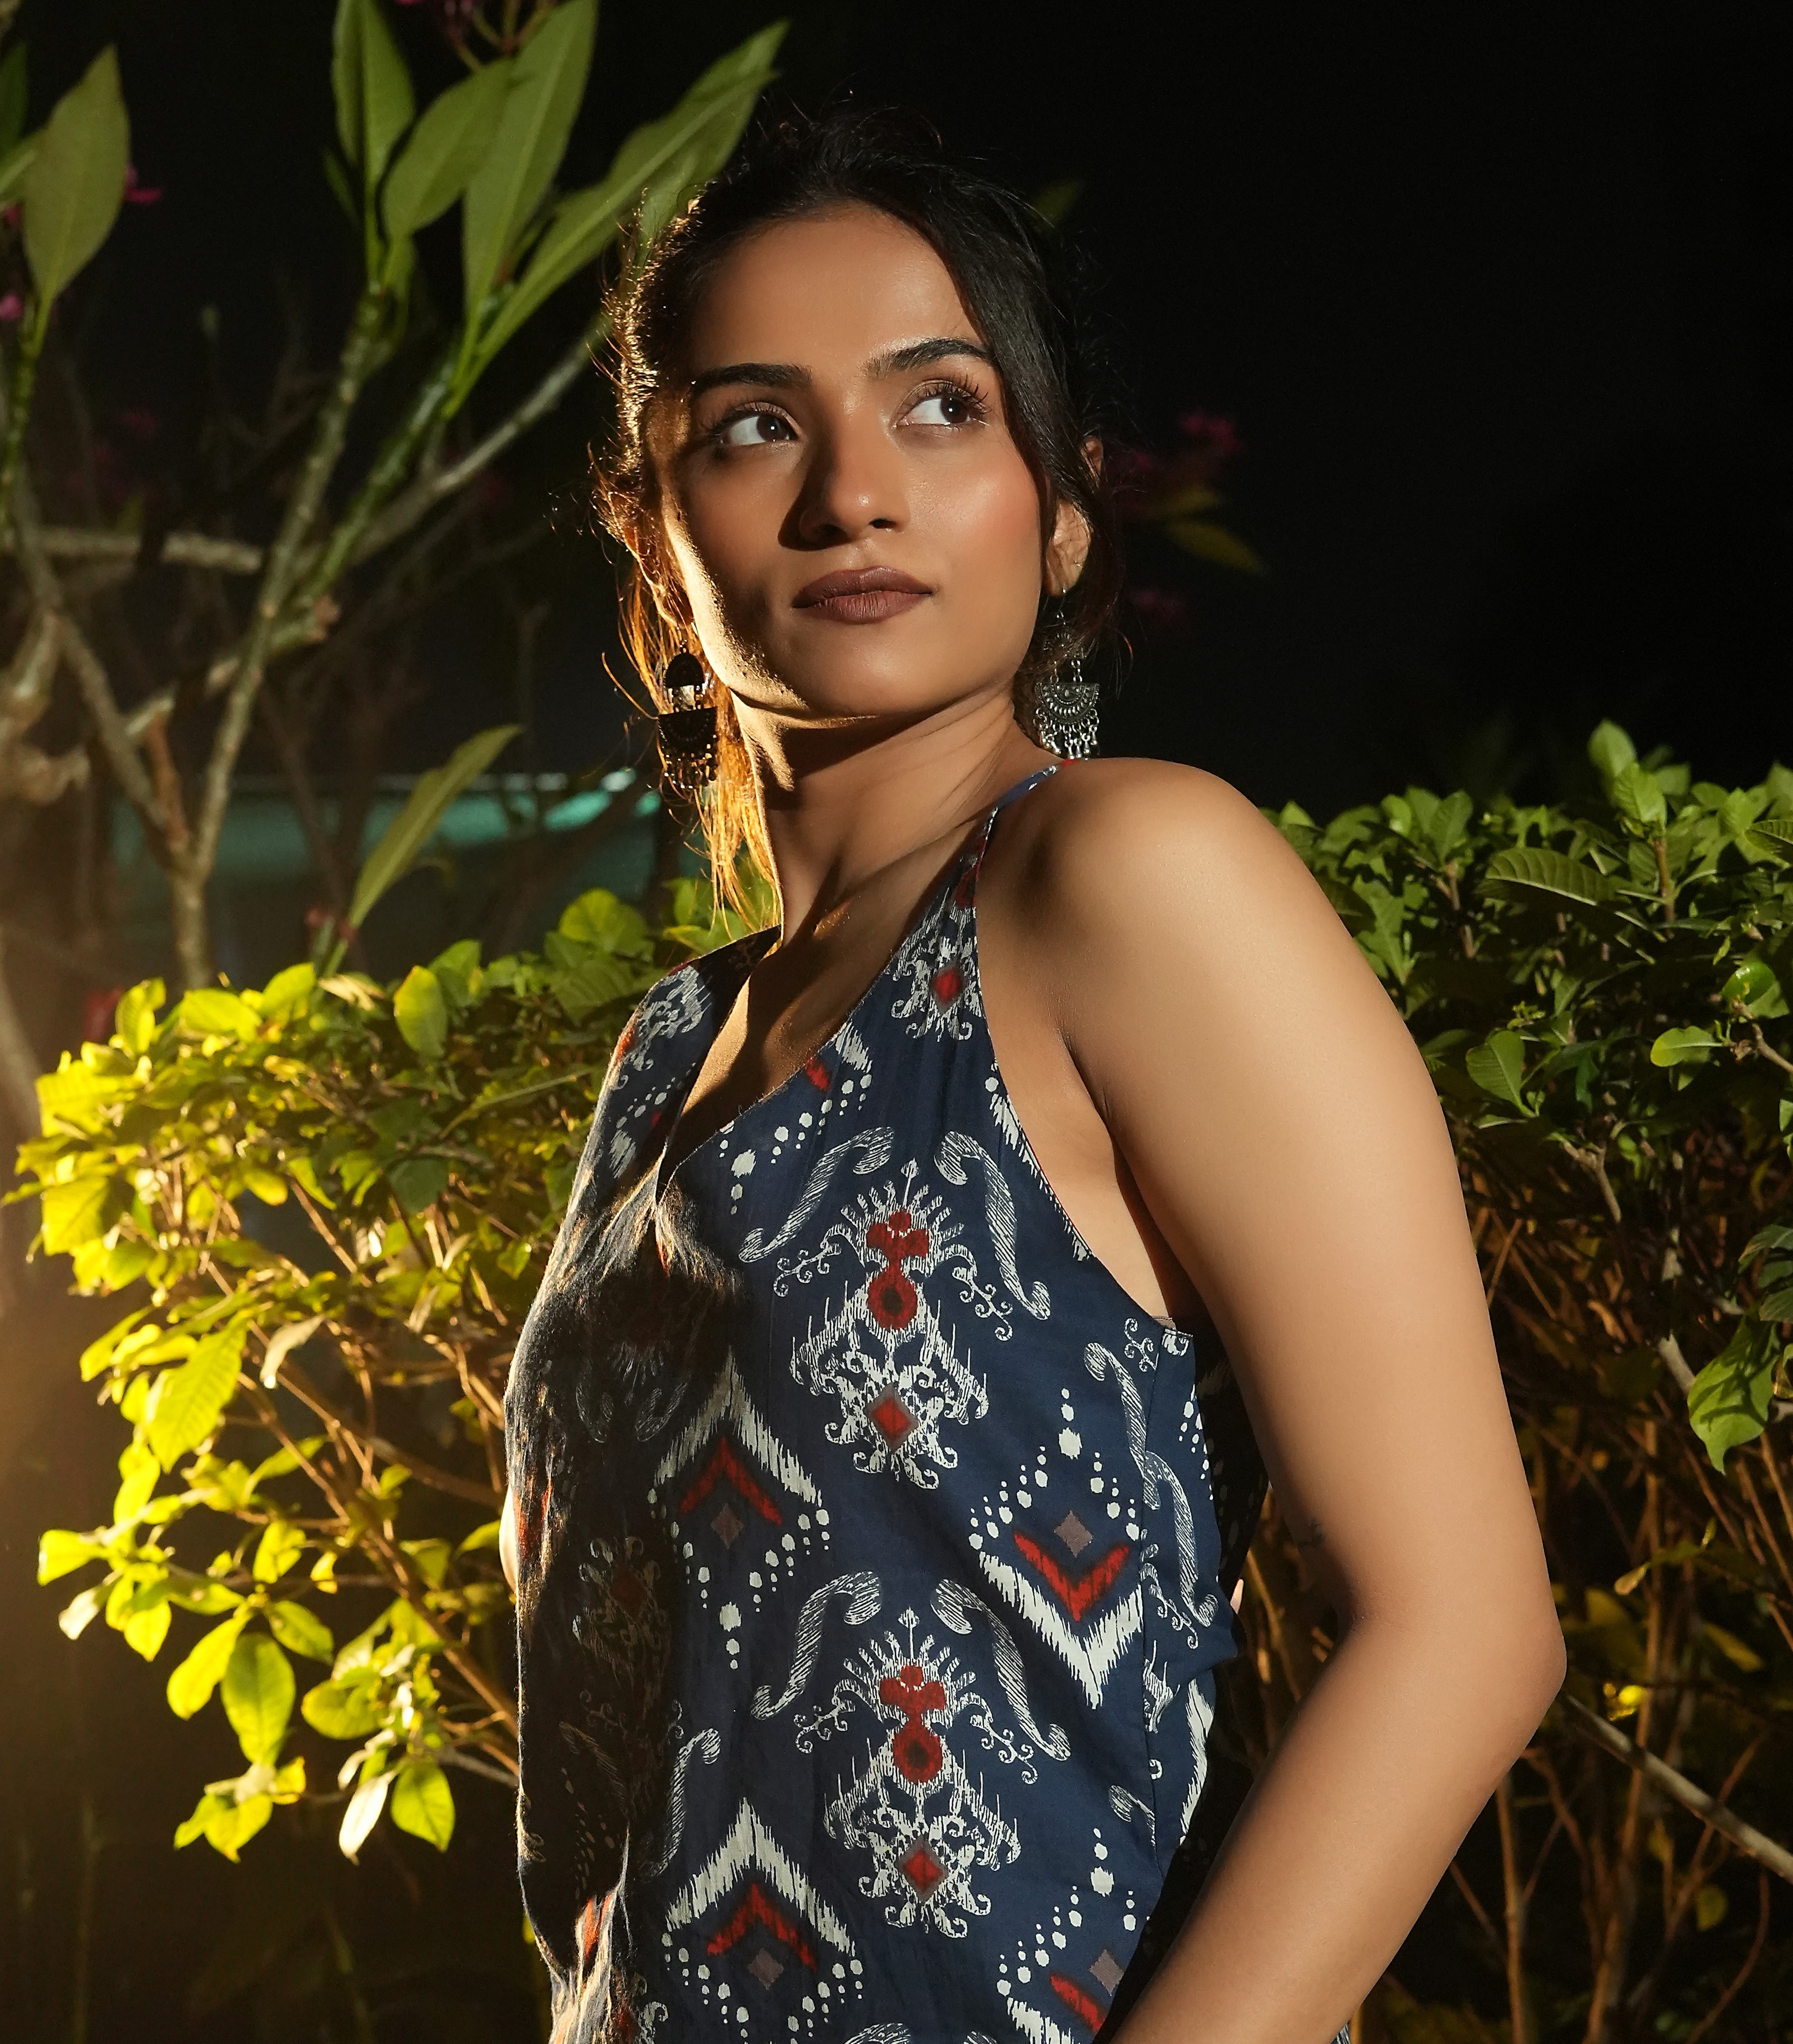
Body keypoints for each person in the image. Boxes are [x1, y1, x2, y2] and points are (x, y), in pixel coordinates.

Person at [498, 108, 1564, 2044]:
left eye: (937, 410)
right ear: (656, 543)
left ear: (1060, 511)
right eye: (753, 426)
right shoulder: (670, 1051)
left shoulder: (1117, 879)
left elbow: (1464, 1624)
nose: (849, 497)